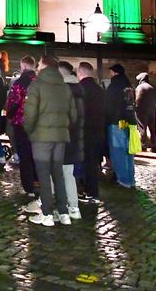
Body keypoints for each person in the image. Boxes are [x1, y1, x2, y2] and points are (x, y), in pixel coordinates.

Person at [21, 54, 77, 226]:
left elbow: (29, 115)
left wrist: (30, 131)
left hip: (41, 138)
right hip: (60, 137)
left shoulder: (36, 85)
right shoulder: (64, 87)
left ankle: (46, 214)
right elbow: (73, 115)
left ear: (44, 66)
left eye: (39, 64)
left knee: (44, 176)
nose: (37, 66)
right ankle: (63, 212)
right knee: (58, 174)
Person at [5, 55, 38, 195]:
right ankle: (38, 181)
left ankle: (28, 186)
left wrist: (9, 114)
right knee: (37, 154)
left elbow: (14, 102)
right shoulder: (41, 81)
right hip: (39, 123)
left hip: (22, 122)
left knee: (25, 156)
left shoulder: (20, 83)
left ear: (23, 66)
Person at [76, 61, 106, 200]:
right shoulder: (100, 90)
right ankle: (93, 192)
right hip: (98, 131)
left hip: (83, 132)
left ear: (80, 72)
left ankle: (85, 190)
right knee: (93, 163)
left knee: (83, 162)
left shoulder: (79, 89)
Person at [58, 61, 83, 220]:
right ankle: (73, 207)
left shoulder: (63, 91)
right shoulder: (78, 89)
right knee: (68, 174)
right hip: (74, 138)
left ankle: (54, 208)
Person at [104, 64, 135, 188]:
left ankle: (123, 181)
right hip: (130, 122)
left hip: (117, 122)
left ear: (114, 72)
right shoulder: (129, 86)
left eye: (111, 72)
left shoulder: (114, 86)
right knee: (129, 152)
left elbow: (109, 105)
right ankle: (130, 179)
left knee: (118, 152)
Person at [134, 72, 156, 153]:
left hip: (142, 111)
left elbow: (137, 99)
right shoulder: (152, 87)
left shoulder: (140, 87)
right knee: (153, 128)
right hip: (152, 110)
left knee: (142, 128)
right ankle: (154, 145)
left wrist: (135, 107)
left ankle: (143, 144)